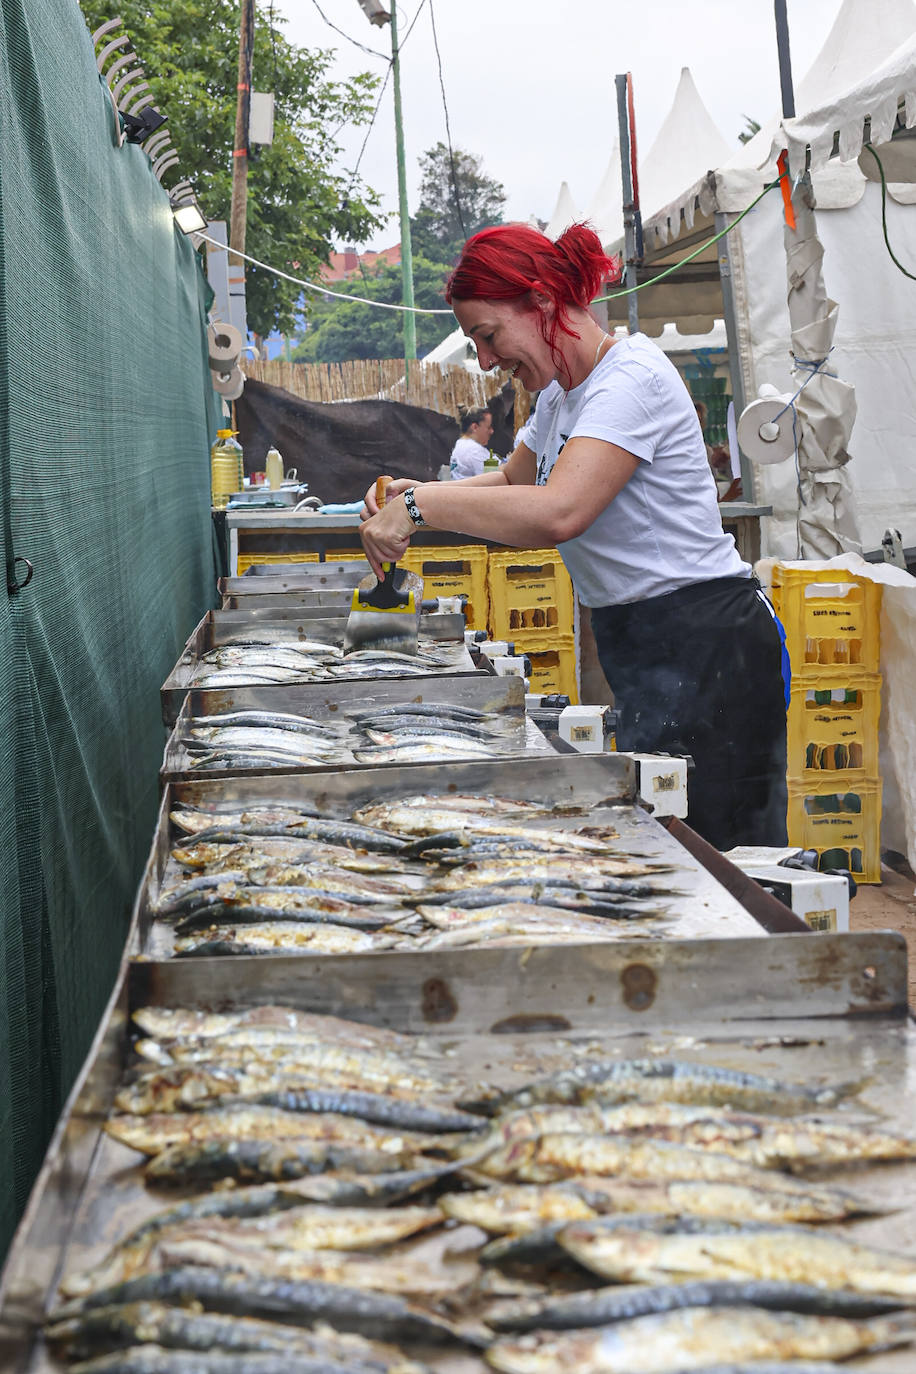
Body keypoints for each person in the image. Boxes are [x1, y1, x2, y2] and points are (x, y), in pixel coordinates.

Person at [359, 222, 787, 849]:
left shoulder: (631, 376)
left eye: (487, 335)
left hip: (709, 643)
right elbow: (511, 479)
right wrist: (408, 494)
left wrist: (423, 507)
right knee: (668, 846)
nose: (485, 361)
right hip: (640, 642)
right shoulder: (561, 396)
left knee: (725, 858)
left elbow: (560, 511)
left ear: (540, 301)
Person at [448, 406, 494, 479]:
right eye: (488, 427)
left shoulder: (461, 444)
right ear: (475, 427)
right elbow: (493, 477)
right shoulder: (473, 450)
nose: (492, 431)